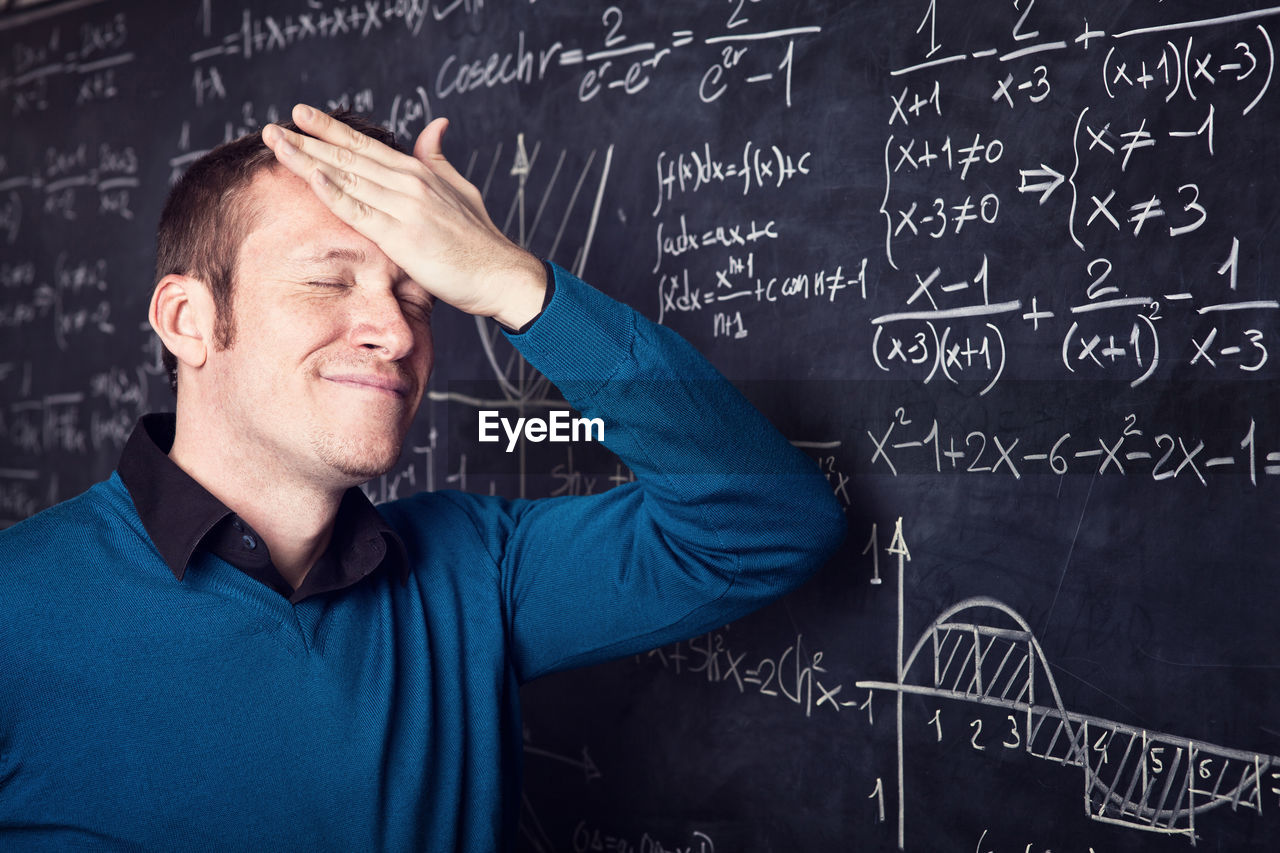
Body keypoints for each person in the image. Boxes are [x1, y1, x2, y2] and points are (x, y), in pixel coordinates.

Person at [0, 104, 845, 850]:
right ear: (189, 320)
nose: (395, 334)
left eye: (420, 297)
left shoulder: (477, 567)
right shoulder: (18, 607)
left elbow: (768, 523)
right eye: (329, 280)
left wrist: (520, 287)